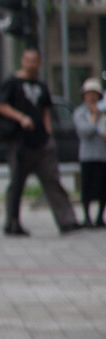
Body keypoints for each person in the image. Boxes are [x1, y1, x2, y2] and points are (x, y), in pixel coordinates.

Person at [0, 49, 80, 236]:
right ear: (22, 61)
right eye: (28, 60)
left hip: (42, 142)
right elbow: (1, 106)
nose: (31, 64)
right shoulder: (12, 83)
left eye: (34, 60)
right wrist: (21, 117)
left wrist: (49, 136)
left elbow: (46, 111)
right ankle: (12, 222)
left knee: (53, 180)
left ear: (40, 63)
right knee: (17, 183)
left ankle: (67, 220)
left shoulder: (41, 85)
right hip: (20, 142)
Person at [72, 78, 106, 228]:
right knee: (87, 188)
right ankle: (87, 217)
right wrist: (93, 117)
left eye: (95, 94)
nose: (92, 97)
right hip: (87, 155)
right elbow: (85, 131)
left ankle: (100, 217)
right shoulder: (80, 112)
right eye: (89, 94)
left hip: (103, 155)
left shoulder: (104, 113)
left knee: (103, 188)